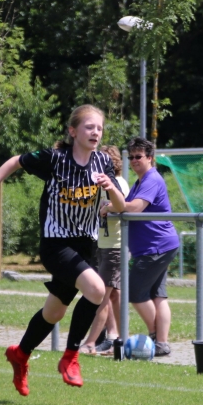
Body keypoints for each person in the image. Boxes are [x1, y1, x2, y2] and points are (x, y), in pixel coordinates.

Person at [0, 104, 118, 396]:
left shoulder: (103, 162)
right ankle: (71, 356)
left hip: (86, 246)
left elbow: (120, 206)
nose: (95, 132)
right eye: (89, 127)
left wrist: (110, 188)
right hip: (56, 244)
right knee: (97, 290)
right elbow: (15, 161)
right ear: (73, 131)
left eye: (99, 128)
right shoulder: (55, 158)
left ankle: (20, 353)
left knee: (54, 312)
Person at [104, 137, 180, 357]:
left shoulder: (151, 179)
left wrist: (109, 208)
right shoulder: (141, 181)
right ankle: (162, 343)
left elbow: (134, 208)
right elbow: (126, 206)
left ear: (150, 158)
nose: (134, 160)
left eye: (139, 156)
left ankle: (155, 335)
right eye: (131, 157)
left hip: (156, 246)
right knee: (158, 295)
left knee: (135, 291)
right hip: (155, 246)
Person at [79, 146, 130, 355]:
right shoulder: (100, 184)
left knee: (101, 294)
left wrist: (108, 207)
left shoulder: (118, 183)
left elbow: (121, 206)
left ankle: (90, 342)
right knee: (113, 295)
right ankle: (119, 339)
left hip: (114, 247)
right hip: (103, 244)